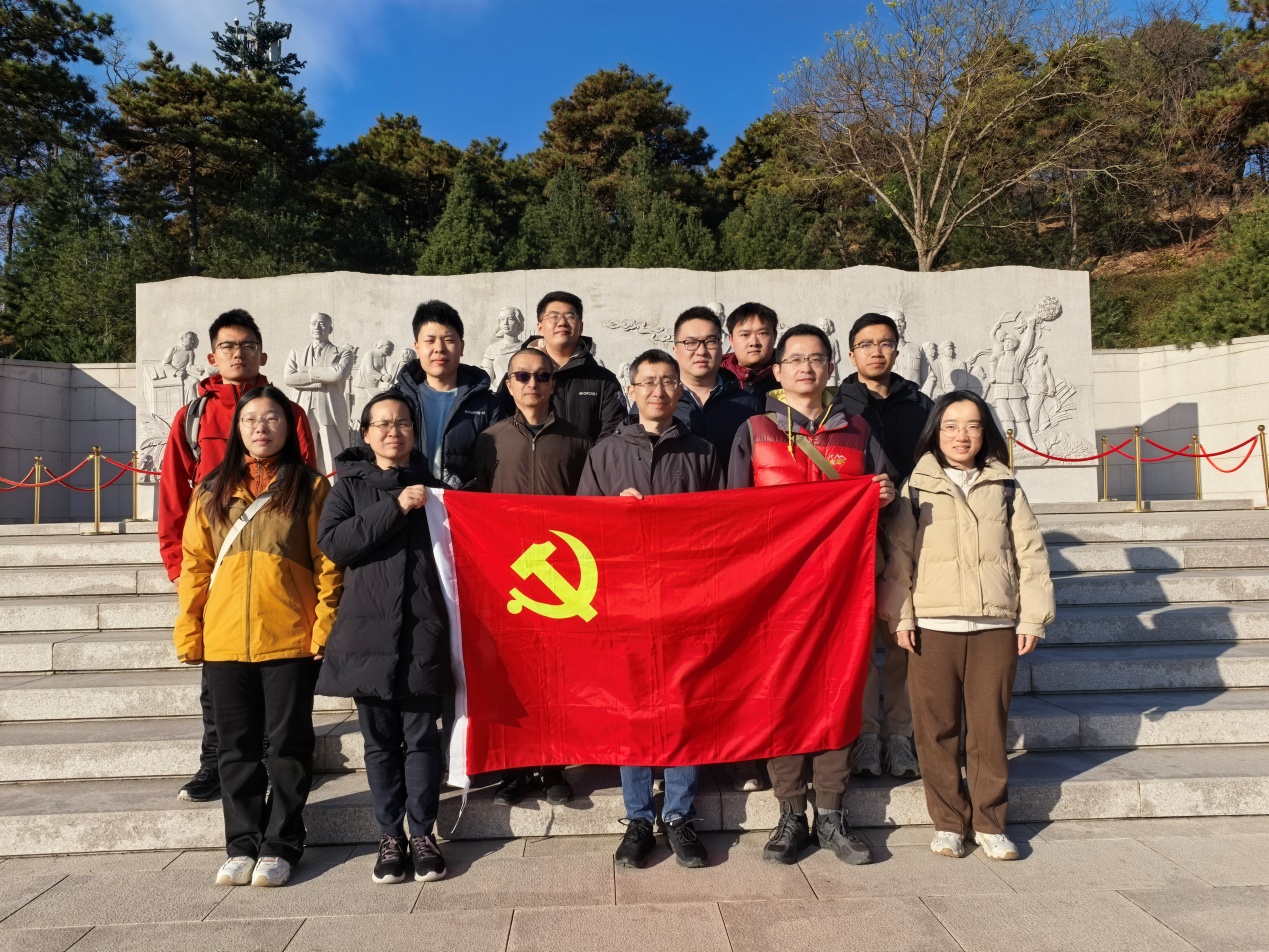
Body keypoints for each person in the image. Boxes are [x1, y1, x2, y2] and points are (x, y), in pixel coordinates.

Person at [728, 323, 896, 867]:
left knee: (836, 696)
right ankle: (789, 814)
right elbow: (731, 513)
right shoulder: (754, 430)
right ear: (777, 371)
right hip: (776, 595)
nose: (805, 367)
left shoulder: (857, 431)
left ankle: (831, 813)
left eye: (816, 358)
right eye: (795, 359)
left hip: (842, 590)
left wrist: (886, 493)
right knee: (781, 700)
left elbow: (886, 493)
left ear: (830, 368)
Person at [173, 386, 341, 888]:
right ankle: (242, 843)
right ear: (237, 429)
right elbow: (195, 566)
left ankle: (282, 844)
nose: (261, 428)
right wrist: (190, 628)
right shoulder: (212, 490)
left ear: (289, 427)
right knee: (235, 747)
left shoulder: (310, 488)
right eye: (250, 420)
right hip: (225, 639)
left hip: (287, 636)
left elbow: (329, 565)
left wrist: (324, 625)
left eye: (272, 418)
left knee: (288, 744)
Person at [880, 390, 1054, 862]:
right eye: (951, 426)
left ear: (985, 432)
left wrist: (1033, 616)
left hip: (994, 623)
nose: (962, 435)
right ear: (935, 432)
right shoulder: (916, 487)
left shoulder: (1005, 485)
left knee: (988, 728)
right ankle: (949, 823)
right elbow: (899, 558)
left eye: (973, 426)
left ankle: (990, 823)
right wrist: (902, 615)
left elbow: (1031, 555)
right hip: (933, 624)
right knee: (935, 730)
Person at [158, 309, 316, 805]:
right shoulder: (194, 416)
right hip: (217, 562)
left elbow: (307, 487)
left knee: (275, 676)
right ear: (212, 356)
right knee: (219, 677)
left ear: (262, 355)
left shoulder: (287, 412)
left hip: (274, 559)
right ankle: (214, 763)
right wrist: (177, 565)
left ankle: (272, 759)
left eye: (247, 345)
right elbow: (173, 495)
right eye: (228, 346)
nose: (238, 354)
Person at [577, 348, 719, 869]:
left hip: (685, 599)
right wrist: (613, 514)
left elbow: (722, 524)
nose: (658, 391)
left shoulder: (702, 451)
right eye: (648, 382)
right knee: (631, 707)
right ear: (631, 390)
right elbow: (581, 528)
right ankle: (638, 816)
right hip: (625, 602)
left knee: (683, 703)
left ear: (680, 391)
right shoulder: (605, 453)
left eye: (668, 382)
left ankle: (679, 813)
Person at [316, 390, 452, 885]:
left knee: (421, 740)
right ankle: (390, 836)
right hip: (366, 631)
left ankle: (423, 835)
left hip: (422, 632)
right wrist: (395, 506)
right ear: (367, 434)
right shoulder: (348, 487)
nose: (394, 432)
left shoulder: (437, 490)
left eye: (403, 423)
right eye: (383, 424)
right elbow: (335, 544)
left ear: (415, 432)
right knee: (379, 743)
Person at [475, 347, 592, 804]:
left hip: (561, 576)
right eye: (522, 376)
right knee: (513, 676)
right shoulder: (490, 440)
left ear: (553, 384)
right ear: (508, 384)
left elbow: (590, 506)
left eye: (542, 376)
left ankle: (553, 764)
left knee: (556, 676)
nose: (532, 384)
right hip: (507, 576)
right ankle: (517, 768)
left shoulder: (577, 440)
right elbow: (475, 505)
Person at [838, 313, 934, 781]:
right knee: (858, 640)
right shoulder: (838, 406)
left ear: (897, 349)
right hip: (853, 533)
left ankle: (899, 735)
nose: (876, 351)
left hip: (908, 527)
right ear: (850, 353)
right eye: (866, 344)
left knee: (902, 634)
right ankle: (865, 735)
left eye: (885, 343)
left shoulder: (921, 404)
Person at [395, 300, 503, 490]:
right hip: (405, 505)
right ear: (417, 347)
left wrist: (460, 495)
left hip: (463, 505)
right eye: (430, 341)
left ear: (461, 346)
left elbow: (497, 466)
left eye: (449, 340)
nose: (439, 348)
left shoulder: (488, 406)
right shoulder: (394, 402)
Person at [498, 291, 625, 442]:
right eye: (553, 316)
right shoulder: (518, 375)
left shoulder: (604, 380)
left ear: (581, 327)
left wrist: (590, 457)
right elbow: (501, 425)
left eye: (570, 316)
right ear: (540, 327)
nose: (562, 322)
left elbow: (615, 431)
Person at [672, 306, 762, 470]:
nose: (701, 351)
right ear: (675, 351)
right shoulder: (658, 400)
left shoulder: (749, 404)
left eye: (711, 342)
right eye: (690, 343)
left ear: (722, 347)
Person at [283, 312, 356, 476]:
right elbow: (289, 378)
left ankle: (334, 489)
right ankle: (305, 488)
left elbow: (338, 375)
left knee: (332, 456)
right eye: (313, 323)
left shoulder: (343, 353)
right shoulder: (297, 353)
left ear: (330, 329)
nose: (317, 327)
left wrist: (306, 371)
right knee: (303, 453)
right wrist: (320, 378)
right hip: (303, 410)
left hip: (329, 411)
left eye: (322, 324)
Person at [721, 302, 779, 399]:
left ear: (775, 336)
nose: (754, 342)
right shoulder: (715, 377)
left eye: (762, 333)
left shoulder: (792, 375)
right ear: (731, 340)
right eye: (745, 335)